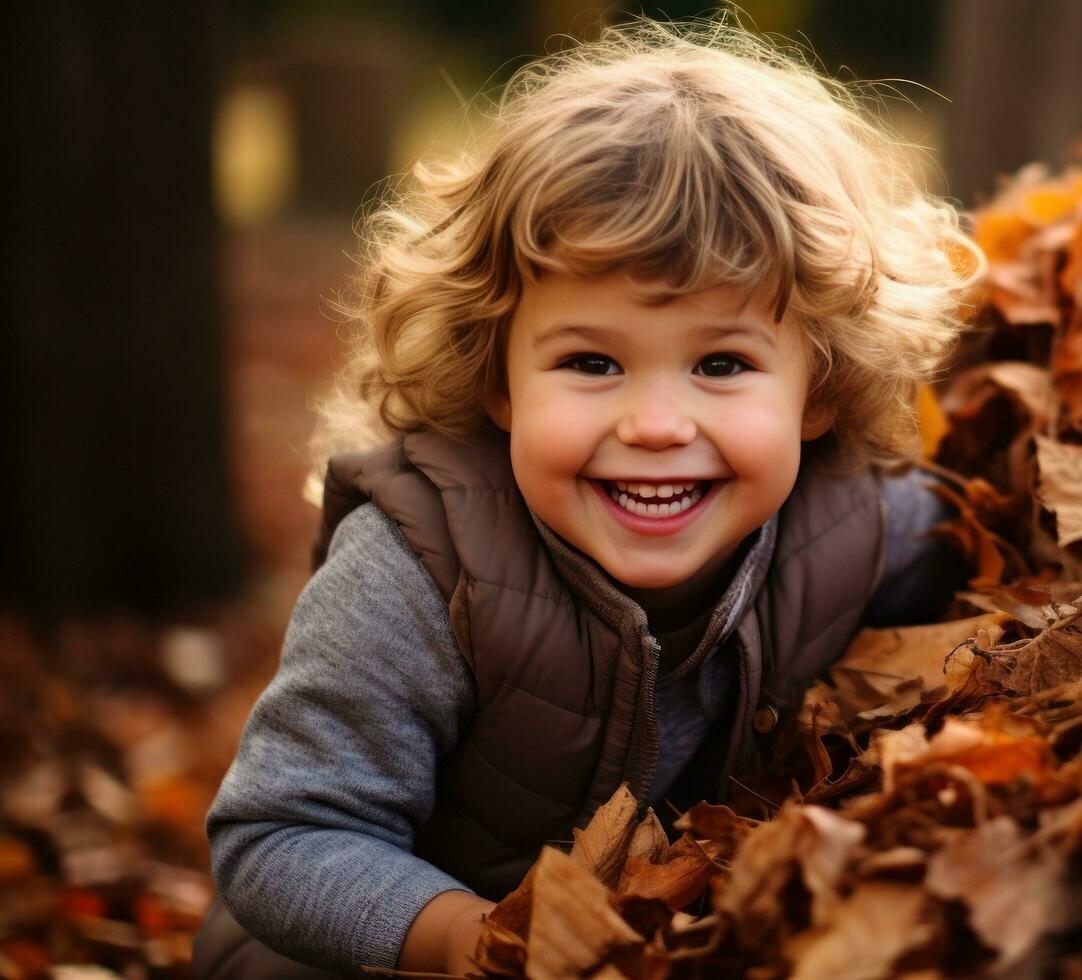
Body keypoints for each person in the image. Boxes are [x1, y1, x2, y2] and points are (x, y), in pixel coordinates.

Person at [191, 13, 982, 978]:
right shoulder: (416, 576)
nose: (656, 424)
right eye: (593, 361)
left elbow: (991, 577)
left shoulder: (859, 526)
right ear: (498, 380)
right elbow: (281, 834)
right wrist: (477, 944)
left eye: (723, 364)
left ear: (816, 389)